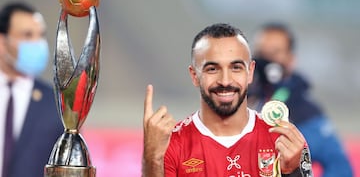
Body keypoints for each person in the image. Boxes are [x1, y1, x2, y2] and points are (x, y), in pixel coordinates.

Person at [143, 23, 313, 177]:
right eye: (212, 69)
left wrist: (292, 173)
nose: (225, 81)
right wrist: (153, 160)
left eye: (236, 68)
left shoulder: (285, 140)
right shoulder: (171, 145)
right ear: (194, 75)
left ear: (251, 72)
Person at [248, 22, 353, 177]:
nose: (266, 59)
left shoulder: (305, 111)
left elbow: (340, 167)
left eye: (275, 52)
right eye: (261, 52)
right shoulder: (242, 97)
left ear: (291, 59)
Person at [0, 1, 63, 177]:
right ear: (2, 42)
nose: (38, 43)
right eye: (27, 35)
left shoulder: (56, 103)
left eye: (41, 35)